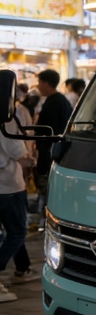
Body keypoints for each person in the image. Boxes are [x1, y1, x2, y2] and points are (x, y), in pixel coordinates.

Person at [0, 114, 35, 300]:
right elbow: (17, 150)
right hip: (8, 185)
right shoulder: (6, 118)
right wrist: (28, 157)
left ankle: (23, 267)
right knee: (17, 232)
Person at [34, 69, 73, 213]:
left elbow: (48, 131)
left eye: (39, 82)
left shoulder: (53, 103)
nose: (37, 86)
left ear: (46, 83)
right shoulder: (62, 101)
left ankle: (48, 215)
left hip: (50, 153)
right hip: (60, 152)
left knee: (49, 187)